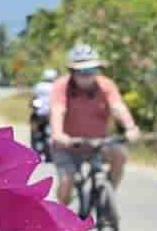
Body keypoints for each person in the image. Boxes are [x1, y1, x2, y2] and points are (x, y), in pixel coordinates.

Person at [49, 43, 140, 211]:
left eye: (92, 71)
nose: (87, 76)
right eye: (82, 72)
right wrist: (58, 134)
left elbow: (117, 107)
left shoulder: (106, 85)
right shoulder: (61, 86)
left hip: (97, 144)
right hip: (67, 145)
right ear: (72, 72)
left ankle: (107, 196)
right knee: (66, 182)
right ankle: (61, 218)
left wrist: (131, 127)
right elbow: (57, 110)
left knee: (119, 155)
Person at [29, 66, 58, 159]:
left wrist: (33, 105)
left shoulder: (38, 86)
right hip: (51, 115)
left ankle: (35, 150)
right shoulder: (56, 86)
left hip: (38, 114)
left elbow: (33, 98)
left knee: (34, 132)